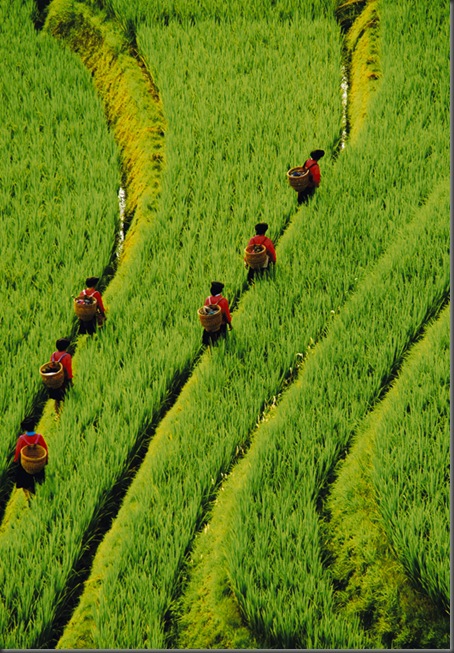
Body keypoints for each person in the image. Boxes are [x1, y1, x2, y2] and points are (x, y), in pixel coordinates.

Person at [14, 417, 48, 499]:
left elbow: (18, 452)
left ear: (24, 428)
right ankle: (40, 494)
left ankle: (29, 497)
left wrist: (15, 461)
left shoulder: (22, 439)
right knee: (39, 481)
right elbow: (45, 449)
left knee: (24, 482)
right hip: (38, 464)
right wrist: (45, 461)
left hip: (26, 465)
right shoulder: (39, 437)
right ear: (34, 426)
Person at [202, 281, 232, 346]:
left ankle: (210, 353)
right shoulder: (223, 301)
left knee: (209, 344)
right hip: (220, 327)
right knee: (221, 344)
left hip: (209, 327)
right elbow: (226, 315)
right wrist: (230, 324)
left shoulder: (208, 299)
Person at [47, 337, 73, 414]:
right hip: (63, 378)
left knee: (57, 397)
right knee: (65, 395)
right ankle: (63, 412)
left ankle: (57, 413)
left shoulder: (54, 354)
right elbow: (68, 369)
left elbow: (51, 365)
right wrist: (70, 379)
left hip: (55, 379)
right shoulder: (67, 356)